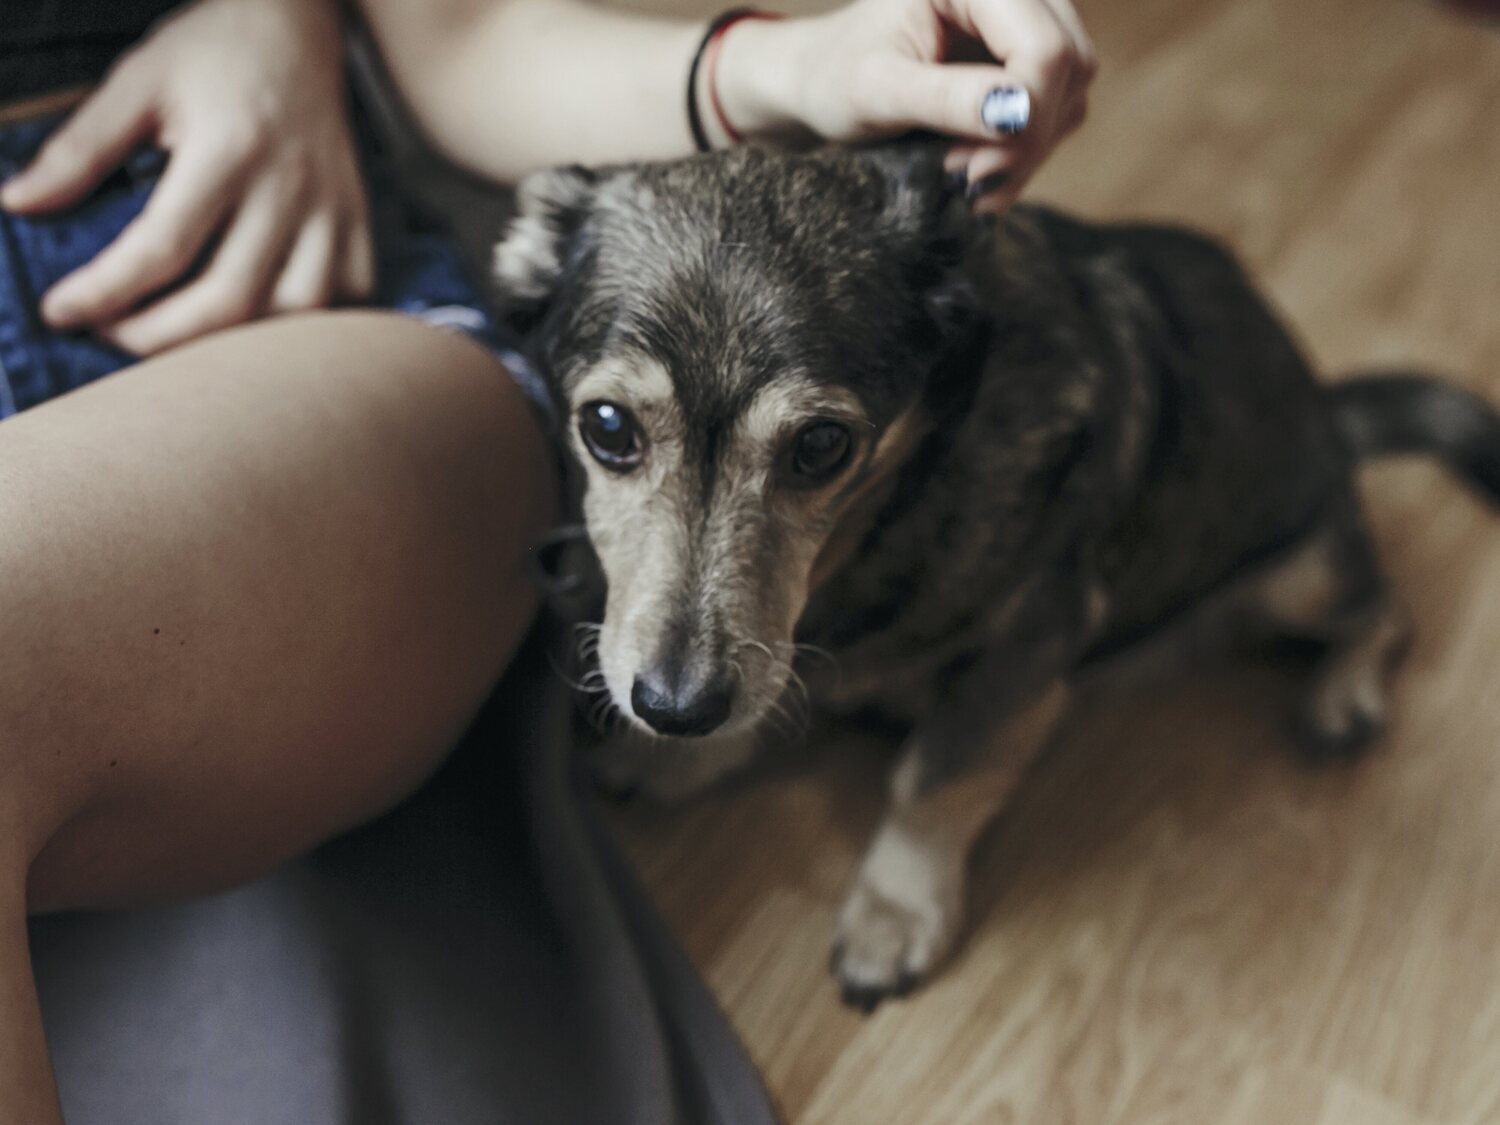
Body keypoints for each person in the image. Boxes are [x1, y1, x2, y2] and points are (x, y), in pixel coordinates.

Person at [0, 0, 1095, 1116]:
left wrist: (787, 63)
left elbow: (469, 42)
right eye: (615, 435)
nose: (683, 663)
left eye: (814, 449)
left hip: (262, 265)